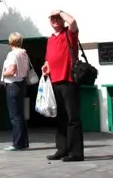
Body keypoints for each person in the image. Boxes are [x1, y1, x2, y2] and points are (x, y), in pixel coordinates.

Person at [41, 10, 84, 162]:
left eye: (58, 18)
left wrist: (59, 11)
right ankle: (62, 149)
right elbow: (48, 59)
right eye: (52, 18)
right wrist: (46, 66)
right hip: (55, 81)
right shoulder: (50, 40)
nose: (55, 20)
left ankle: (76, 153)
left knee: (73, 117)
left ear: (62, 20)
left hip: (69, 80)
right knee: (61, 118)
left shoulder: (69, 34)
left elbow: (72, 22)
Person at [1, 32, 30, 151]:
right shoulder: (24, 54)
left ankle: (17, 143)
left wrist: (3, 73)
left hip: (12, 85)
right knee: (20, 115)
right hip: (21, 84)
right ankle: (24, 142)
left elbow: (12, 71)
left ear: (10, 42)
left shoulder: (12, 54)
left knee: (14, 116)